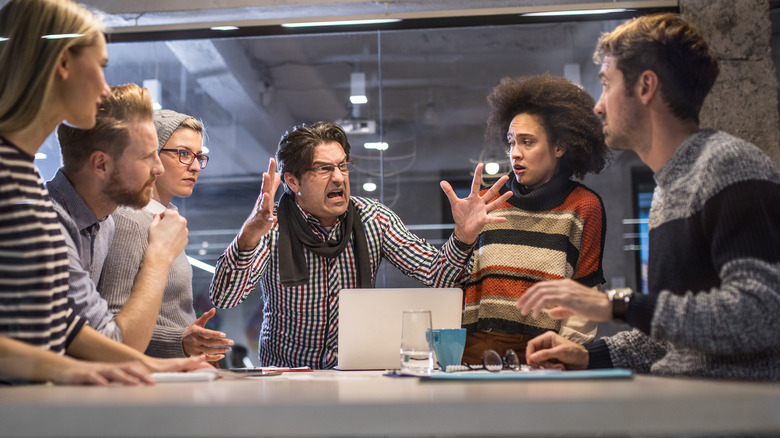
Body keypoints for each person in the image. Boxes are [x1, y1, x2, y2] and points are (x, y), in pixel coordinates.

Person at [517, 13, 780, 381]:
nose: (598, 106)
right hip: (682, 399)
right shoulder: (667, 191)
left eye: (606, 84)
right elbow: (670, 339)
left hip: (729, 406)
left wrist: (618, 304)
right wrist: (586, 355)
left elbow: (761, 315)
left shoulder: (730, 165)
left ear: (645, 86)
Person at [0, 0, 206, 385]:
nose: (104, 87)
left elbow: (60, 321)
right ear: (63, 63)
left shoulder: (22, 172)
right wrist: (67, 369)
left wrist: (150, 365)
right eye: (100, 66)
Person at [210, 121, 513, 368]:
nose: (338, 178)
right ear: (293, 181)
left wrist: (463, 237)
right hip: (287, 381)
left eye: (342, 166)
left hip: (354, 376)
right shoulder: (271, 226)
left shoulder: (373, 219)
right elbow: (225, 297)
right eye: (324, 169)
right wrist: (249, 235)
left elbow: (439, 276)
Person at [460, 74, 608, 365]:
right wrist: (460, 238)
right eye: (511, 142)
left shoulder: (583, 206)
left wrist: (565, 354)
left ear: (559, 147)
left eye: (527, 142)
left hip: (543, 355)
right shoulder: (488, 202)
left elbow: (584, 293)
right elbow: (454, 281)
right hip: (477, 353)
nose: (515, 153)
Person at [98, 109, 234, 361]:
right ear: (151, 155)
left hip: (175, 372)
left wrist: (191, 344)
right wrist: (179, 341)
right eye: (184, 154)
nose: (195, 166)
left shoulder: (164, 217)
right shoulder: (129, 219)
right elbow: (113, 326)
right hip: (149, 376)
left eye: (199, 156)